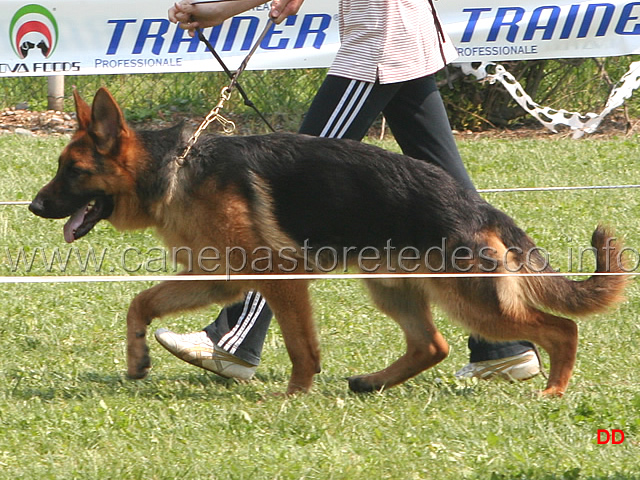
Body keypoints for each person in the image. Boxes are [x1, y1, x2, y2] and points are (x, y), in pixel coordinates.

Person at [155, 0, 541, 384]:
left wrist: (225, 9)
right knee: (452, 196)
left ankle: (234, 339)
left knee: (295, 189)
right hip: (404, 30)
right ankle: (504, 347)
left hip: (380, 41)